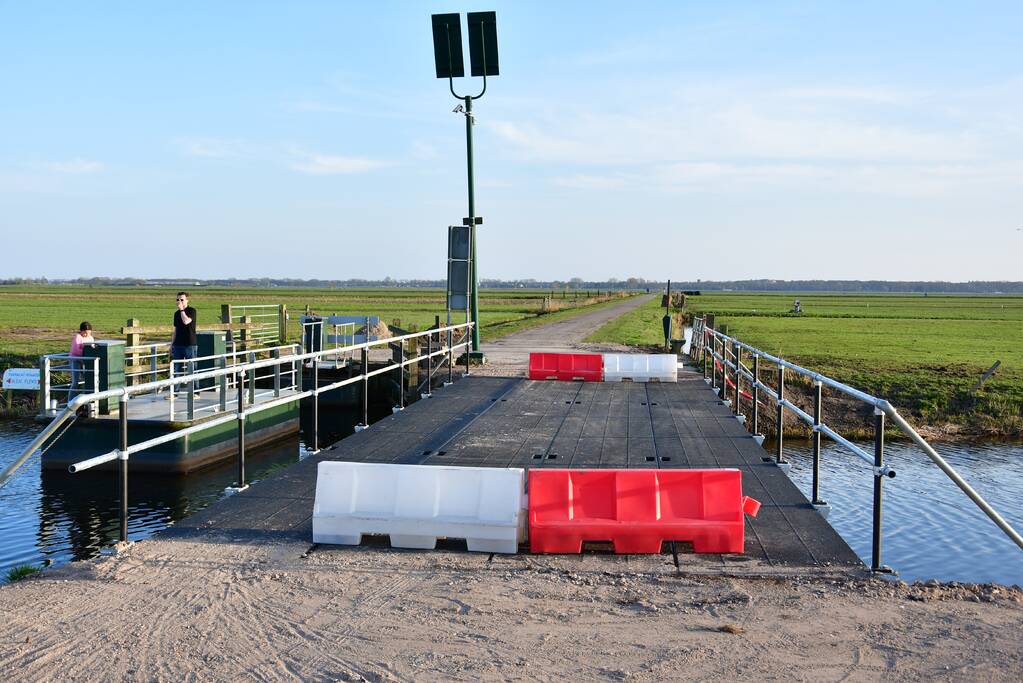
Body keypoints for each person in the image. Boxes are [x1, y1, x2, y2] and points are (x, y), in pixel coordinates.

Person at [171, 292, 198, 395]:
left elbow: (186, 321)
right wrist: (172, 344)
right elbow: (175, 330)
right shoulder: (176, 313)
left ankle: (196, 392)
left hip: (189, 344)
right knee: (176, 369)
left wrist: (182, 310)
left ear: (187, 300)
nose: (179, 302)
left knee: (192, 368)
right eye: (177, 300)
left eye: (182, 300)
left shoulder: (192, 311)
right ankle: (175, 392)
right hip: (178, 344)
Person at [69, 321, 94, 399]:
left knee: (88, 380)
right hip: (76, 360)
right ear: (81, 331)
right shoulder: (78, 337)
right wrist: (86, 352)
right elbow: (75, 350)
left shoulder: (90, 338)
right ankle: (70, 400)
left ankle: (84, 399)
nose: (86, 334)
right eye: (84, 332)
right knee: (75, 382)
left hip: (85, 361)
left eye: (88, 332)